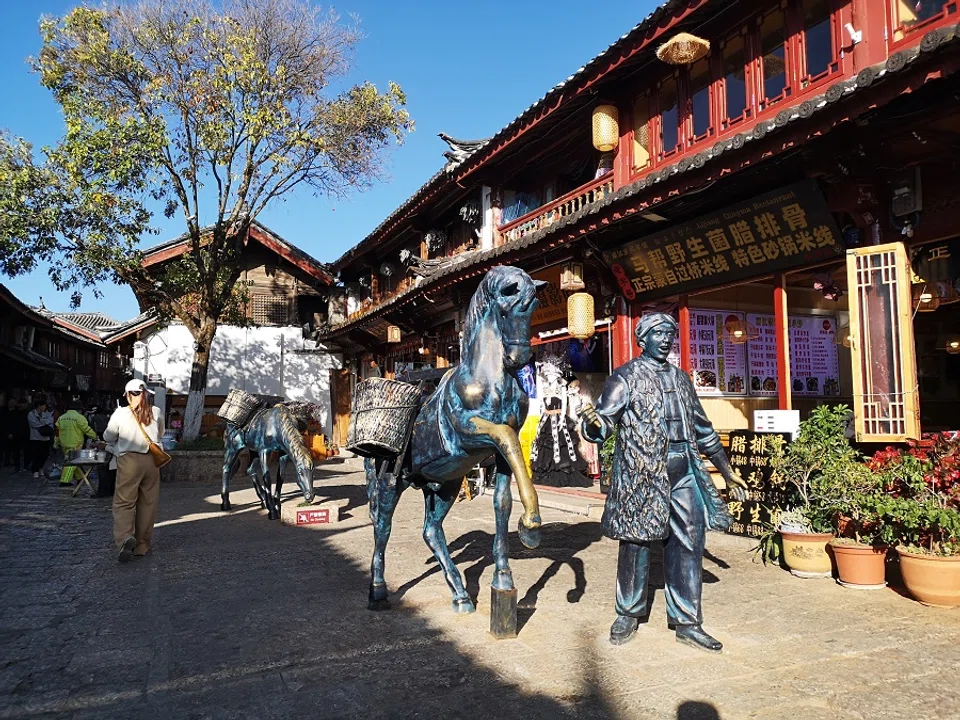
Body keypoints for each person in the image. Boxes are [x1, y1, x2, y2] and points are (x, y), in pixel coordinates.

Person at [580, 313, 748, 652]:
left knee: (690, 541)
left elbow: (703, 429)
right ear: (643, 339)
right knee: (636, 542)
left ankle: (688, 621)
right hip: (643, 472)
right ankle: (628, 612)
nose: (666, 340)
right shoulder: (624, 378)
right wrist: (594, 424)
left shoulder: (682, 379)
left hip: (685, 469)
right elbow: (604, 422)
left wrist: (727, 471)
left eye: (670, 334)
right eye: (658, 334)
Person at [103, 379, 164, 563]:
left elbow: (108, 435)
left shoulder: (121, 413)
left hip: (129, 461)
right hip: (152, 461)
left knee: (124, 502)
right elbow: (160, 434)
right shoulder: (156, 412)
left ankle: (124, 538)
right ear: (146, 394)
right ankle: (142, 546)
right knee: (148, 503)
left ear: (128, 395)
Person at [55, 400, 99, 487]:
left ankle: (80, 478)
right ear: (79, 409)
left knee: (73, 461)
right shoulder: (79, 417)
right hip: (76, 443)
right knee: (72, 463)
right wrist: (95, 437)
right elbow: (86, 429)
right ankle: (64, 481)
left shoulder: (61, 417)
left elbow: (57, 431)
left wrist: (56, 442)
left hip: (64, 443)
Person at [27, 399, 55, 478]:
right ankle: (35, 470)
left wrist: (42, 422)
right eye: (44, 405)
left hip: (45, 437)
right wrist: (44, 423)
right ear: (39, 406)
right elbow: (34, 424)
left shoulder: (45, 413)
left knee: (45, 454)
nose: (45, 407)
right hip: (35, 438)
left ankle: (40, 467)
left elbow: (50, 421)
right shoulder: (31, 414)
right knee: (36, 454)